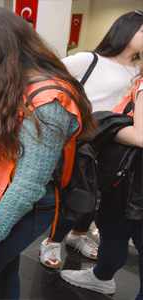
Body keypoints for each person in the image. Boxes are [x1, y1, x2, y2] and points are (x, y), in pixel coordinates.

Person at [0, 7, 96, 299]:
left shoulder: (49, 100)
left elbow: (28, 184)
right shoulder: (11, 82)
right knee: (0, 281)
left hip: (13, 209)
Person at [39, 10, 143, 269]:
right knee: (76, 192)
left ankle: (79, 236)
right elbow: (49, 78)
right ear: (125, 31)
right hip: (82, 138)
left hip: (115, 143)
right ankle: (52, 241)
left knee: (99, 195)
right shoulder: (89, 59)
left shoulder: (140, 68)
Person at [61, 61, 142, 299]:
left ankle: (101, 278)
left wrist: (104, 125)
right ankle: (102, 277)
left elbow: (140, 136)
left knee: (114, 230)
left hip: (131, 181)